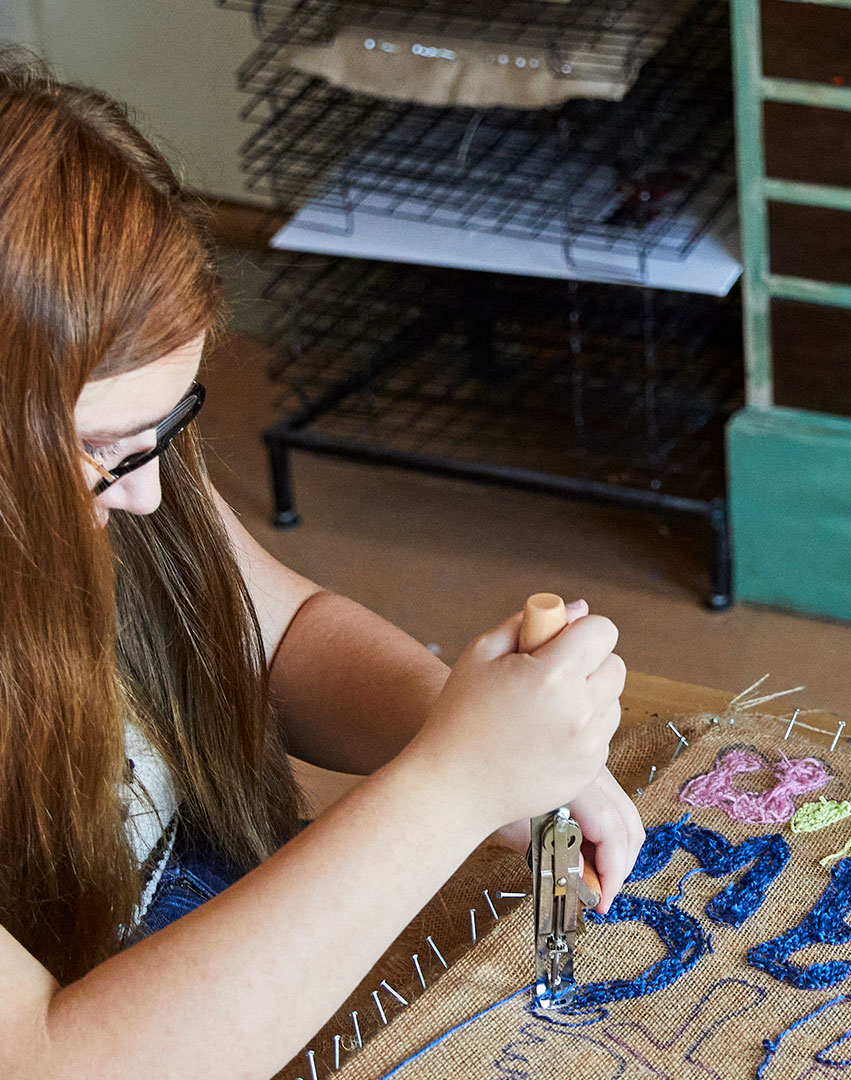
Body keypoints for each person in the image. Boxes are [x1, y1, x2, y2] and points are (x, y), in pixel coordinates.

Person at [0, 60, 642, 1078]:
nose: (150, 495)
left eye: (167, 428)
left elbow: (273, 634)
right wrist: (451, 785)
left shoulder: (114, 471)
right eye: (111, 450)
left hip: (221, 957)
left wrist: (462, 723)